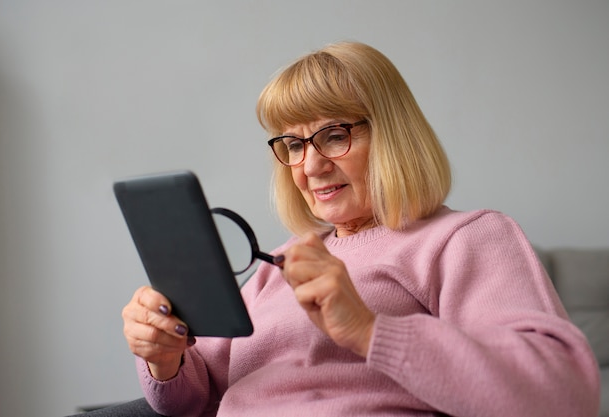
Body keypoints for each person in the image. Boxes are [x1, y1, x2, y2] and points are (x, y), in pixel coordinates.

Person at [120, 41, 600, 416]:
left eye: (334, 135)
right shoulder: (278, 266)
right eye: (292, 144)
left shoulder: (467, 239)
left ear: (393, 135)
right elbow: (194, 402)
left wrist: (369, 331)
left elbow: (561, 397)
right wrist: (166, 359)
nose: (309, 166)